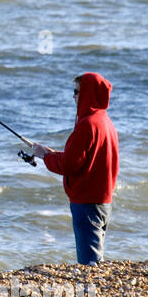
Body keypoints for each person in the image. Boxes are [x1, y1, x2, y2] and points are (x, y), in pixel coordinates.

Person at [30, 73, 119, 265]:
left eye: (77, 91)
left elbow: (69, 165)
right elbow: (84, 158)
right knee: (96, 259)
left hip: (86, 203)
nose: (74, 96)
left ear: (88, 92)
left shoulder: (87, 125)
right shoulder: (106, 122)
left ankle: (93, 293)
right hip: (103, 202)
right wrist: (52, 154)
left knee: (89, 264)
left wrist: (45, 156)